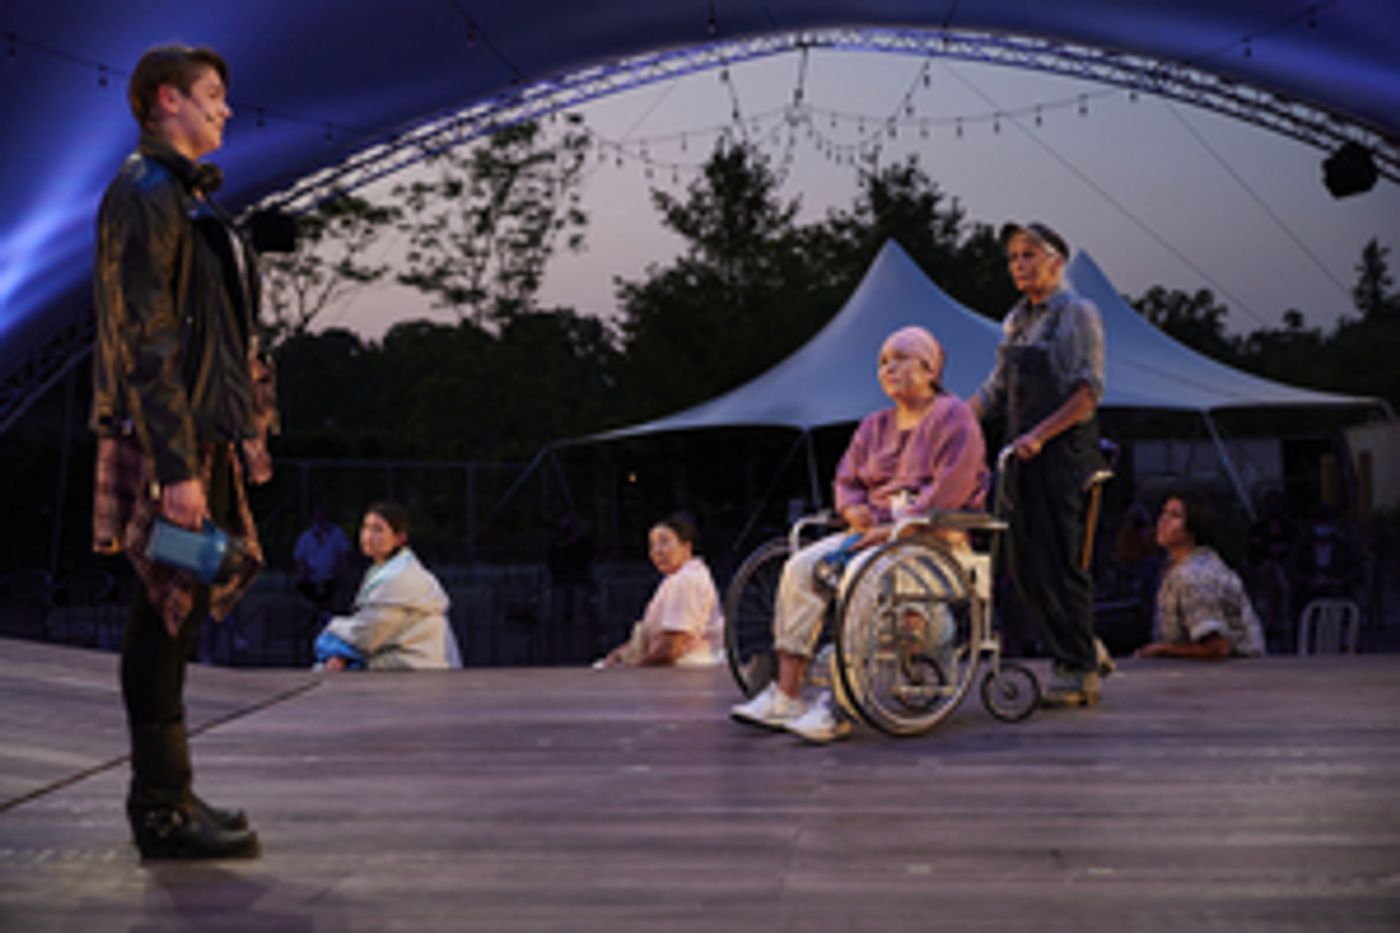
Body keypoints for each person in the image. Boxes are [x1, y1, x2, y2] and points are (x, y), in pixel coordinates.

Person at [89, 44, 272, 860]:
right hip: (169, 442)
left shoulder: (178, 195)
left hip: (196, 437)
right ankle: (159, 807)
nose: (224, 109)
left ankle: (172, 794)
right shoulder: (146, 192)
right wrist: (176, 466)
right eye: (211, 95)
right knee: (160, 613)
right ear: (167, 100)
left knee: (180, 609)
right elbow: (147, 335)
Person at [730, 325, 988, 742]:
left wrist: (894, 529)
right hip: (871, 529)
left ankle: (839, 704)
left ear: (929, 368)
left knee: (860, 574)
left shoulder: (954, 416)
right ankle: (786, 693)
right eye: (883, 361)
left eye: (900, 358)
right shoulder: (873, 425)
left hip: (929, 537)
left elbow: (952, 488)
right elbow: (847, 481)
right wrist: (856, 512)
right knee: (800, 566)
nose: (889, 368)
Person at [969, 221, 1107, 708]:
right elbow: (997, 387)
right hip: (1020, 452)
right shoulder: (1016, 319)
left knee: (1059, 561)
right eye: (1013, 257)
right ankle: (1083, 644)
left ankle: (1078, 670)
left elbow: (1088, 394)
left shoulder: (1077, 313)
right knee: (1021, 564)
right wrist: (955, 417)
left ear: (1056, 261)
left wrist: (1040, 435)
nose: (1019, 265)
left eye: (1029, 254)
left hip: (1062, 452)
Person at [313, 502, 462, 671]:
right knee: (331, 654)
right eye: (366, 528)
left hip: (409, 666)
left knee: (326, 645)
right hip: (400, 660)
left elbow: (367, 636)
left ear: (400, 538)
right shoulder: (389, 569)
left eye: (378, 530)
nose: (368, 536)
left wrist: (332, 626)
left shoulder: (398, 577)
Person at [1136, 490, 1265, 659]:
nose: (1163, 521)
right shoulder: (1176, 567)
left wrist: (1163, 650)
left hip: (1229, 677)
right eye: (1164, 513)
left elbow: (1218, 648)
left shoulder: (1194, 576)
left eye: (1175, 516)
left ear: (1193, 526)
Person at [596, 512, 724, 668]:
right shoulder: (678, 578)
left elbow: (670, 648)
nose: (657, 551)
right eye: (652, 545)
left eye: (664, 542)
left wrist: (630, 668)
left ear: (686, 547)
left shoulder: (685, 580)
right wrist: (619, 654)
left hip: (688, 667)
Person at [294, 508, 351, 610]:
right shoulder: (306, 537)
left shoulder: (337, 534)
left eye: (322, 518)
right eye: (317, 519)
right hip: (311, 577)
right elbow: (300, 560)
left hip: (331, 576)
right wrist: (304, 574)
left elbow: (343, 555)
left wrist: (339, 572)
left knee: (332, 593)